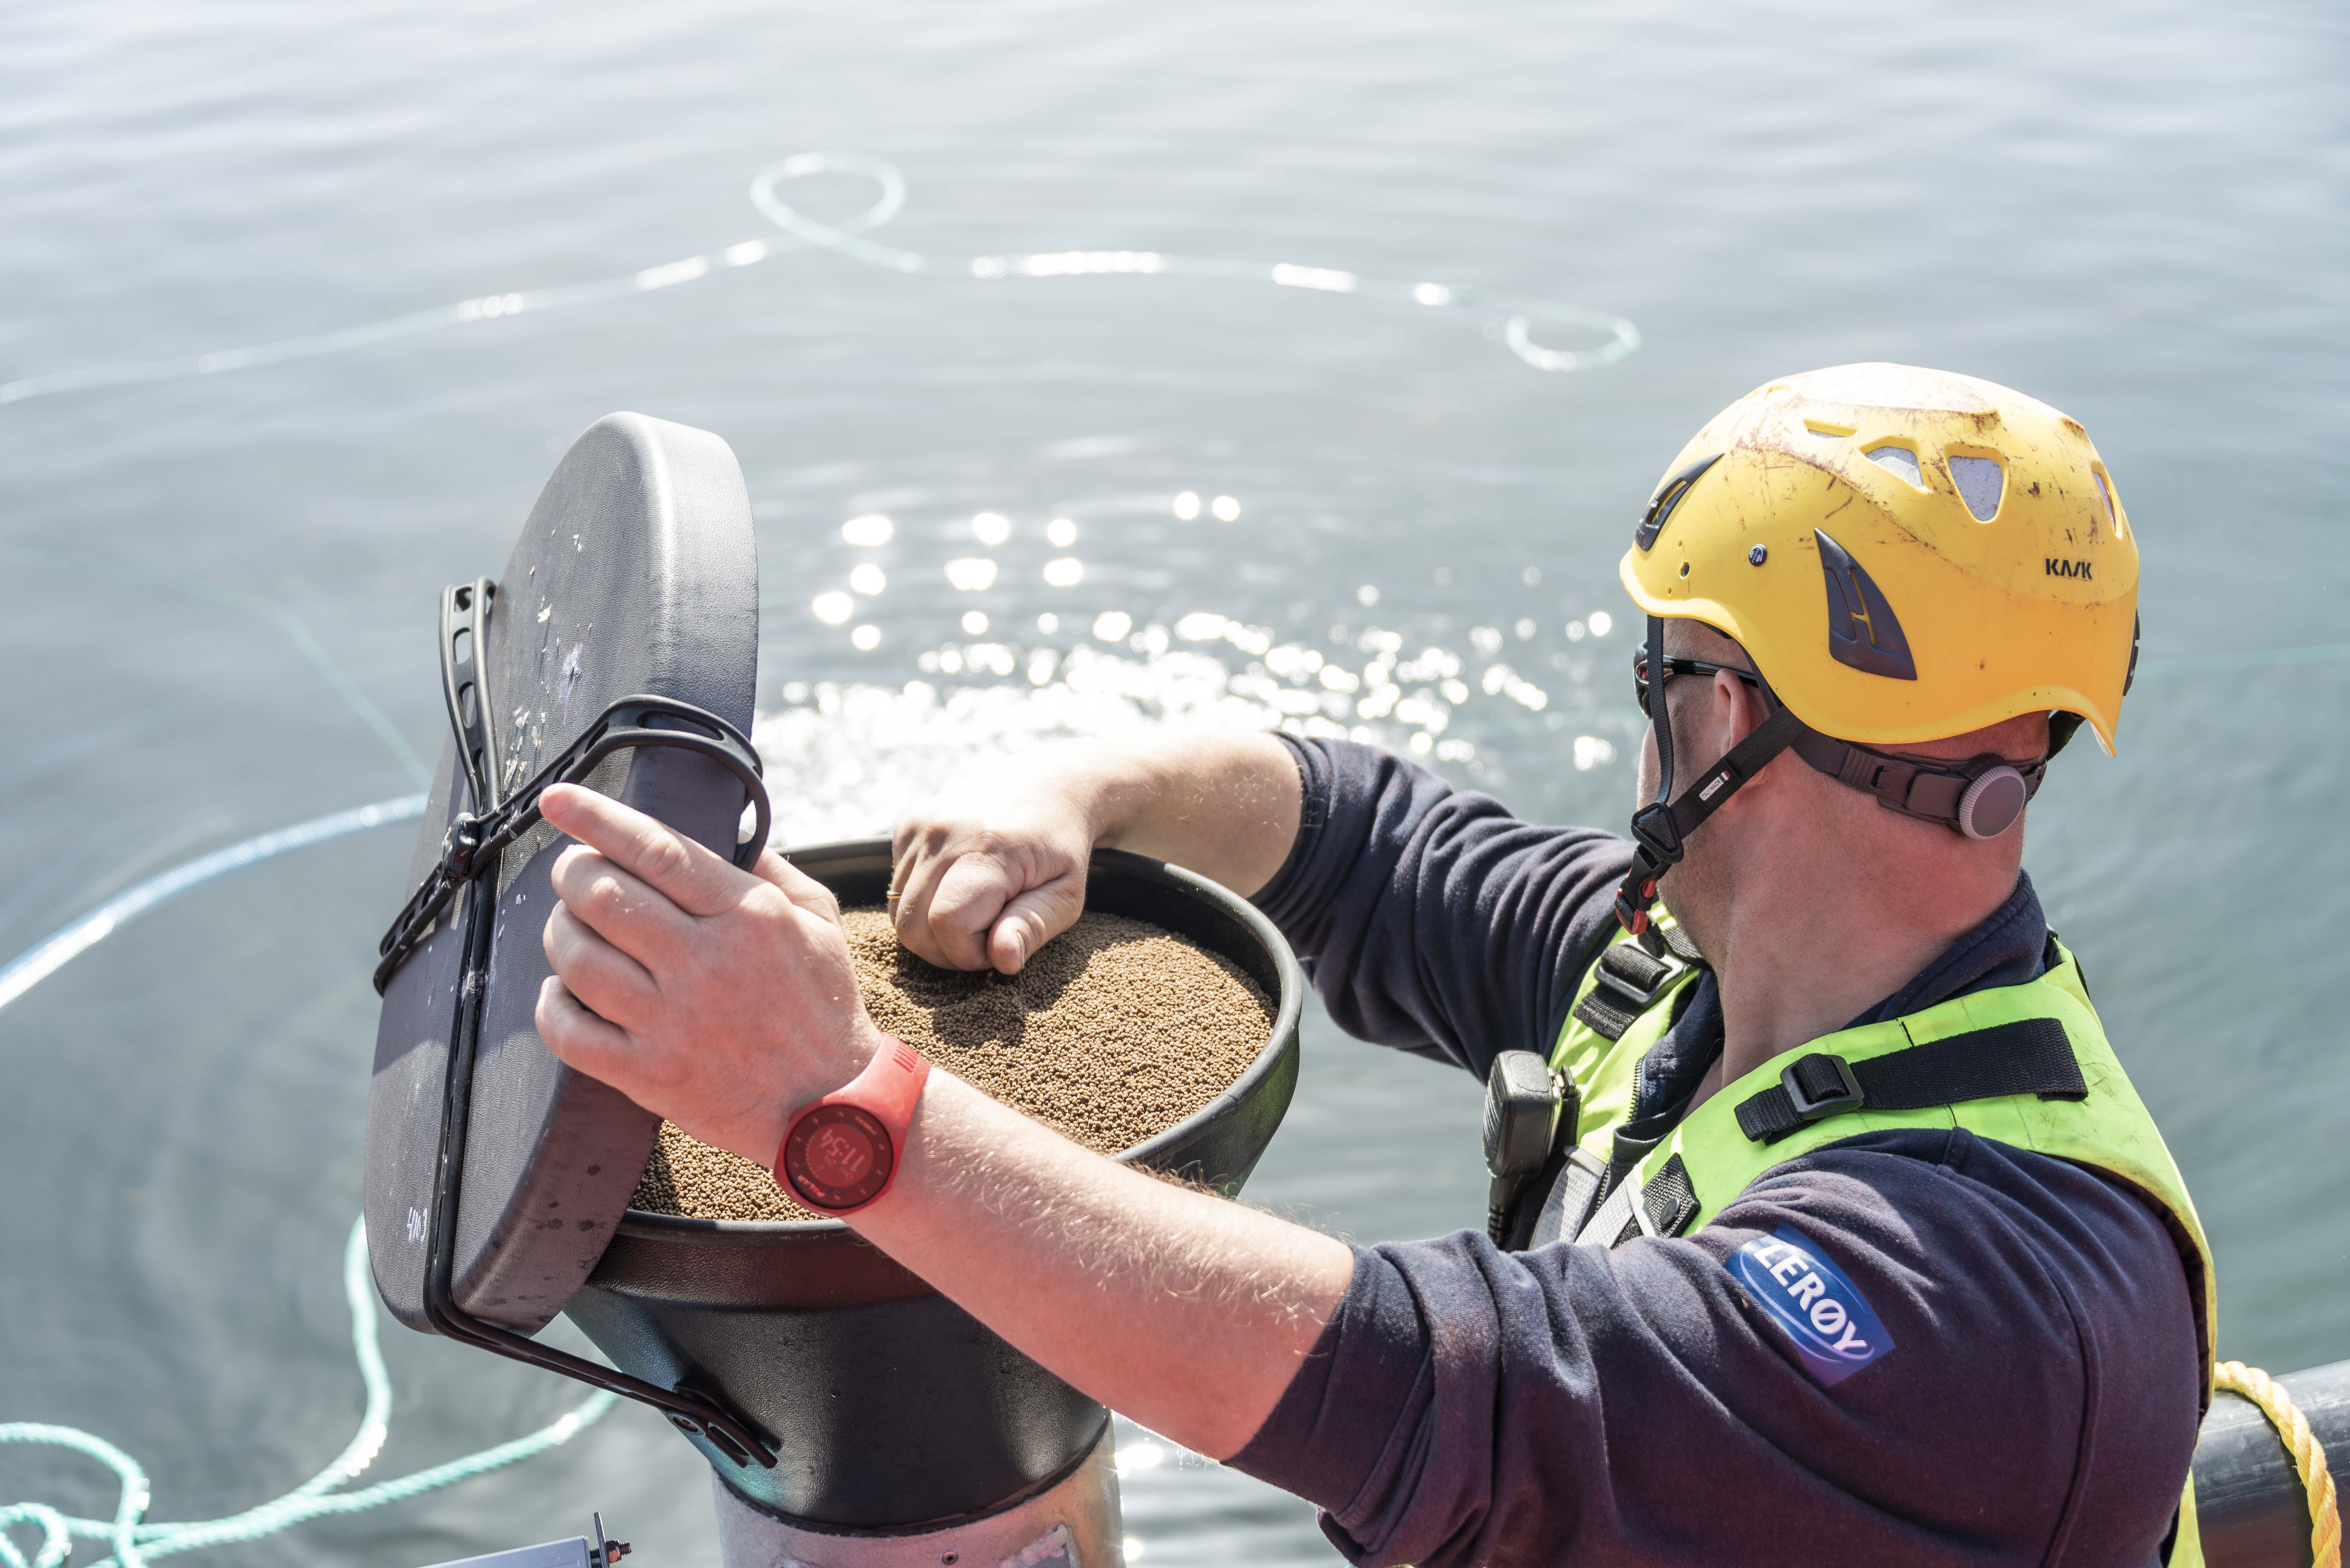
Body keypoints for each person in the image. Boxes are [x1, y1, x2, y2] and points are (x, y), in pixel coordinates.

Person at [529, 362, 2212, 1567]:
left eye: (1663, 665)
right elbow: (1364, 838)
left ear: (1729, 712)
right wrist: (1083, 792)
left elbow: (1435, 1399)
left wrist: (833, 1104)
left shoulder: (1987, 1310)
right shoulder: (1712, 979)